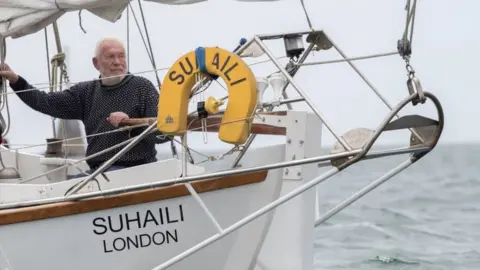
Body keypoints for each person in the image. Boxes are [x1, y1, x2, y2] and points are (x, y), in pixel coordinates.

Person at [0, 37, 171, 178]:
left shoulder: (142, 87)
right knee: (54, 185)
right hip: (99, 173)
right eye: (110, 56)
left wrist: (131, 124)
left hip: (137, 171)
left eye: (121, 56)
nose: (117, 62)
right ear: (96, 63)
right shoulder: (86, 92)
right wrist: (16, 81)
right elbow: (46, 102)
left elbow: (162, 135)